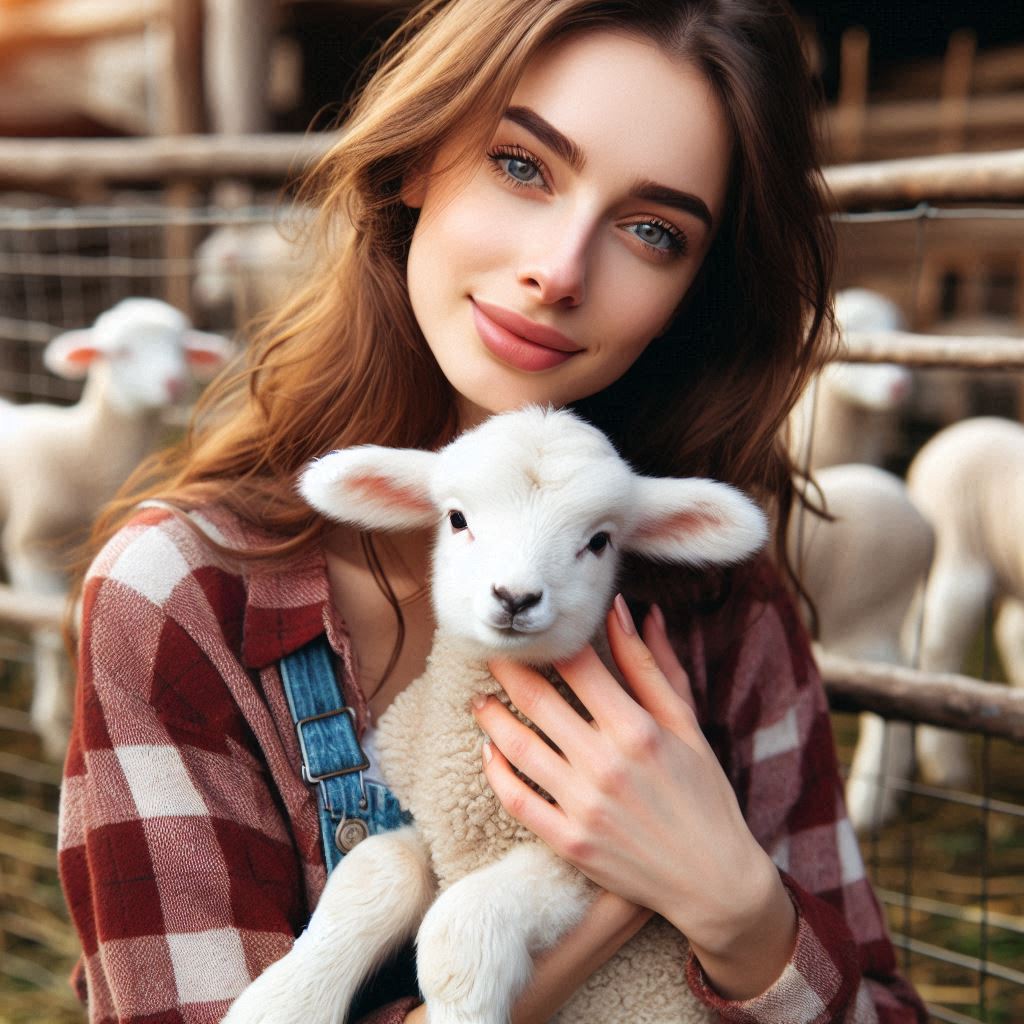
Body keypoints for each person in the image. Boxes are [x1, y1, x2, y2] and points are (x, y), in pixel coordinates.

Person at [58, 1, 928, 1022]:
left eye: (653, 231)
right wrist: (615, 902)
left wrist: (739, 909)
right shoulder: (180, 599)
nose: (558, 271)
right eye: (521, 164)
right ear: (419, 157)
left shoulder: (714, 598)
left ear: (694, 288)